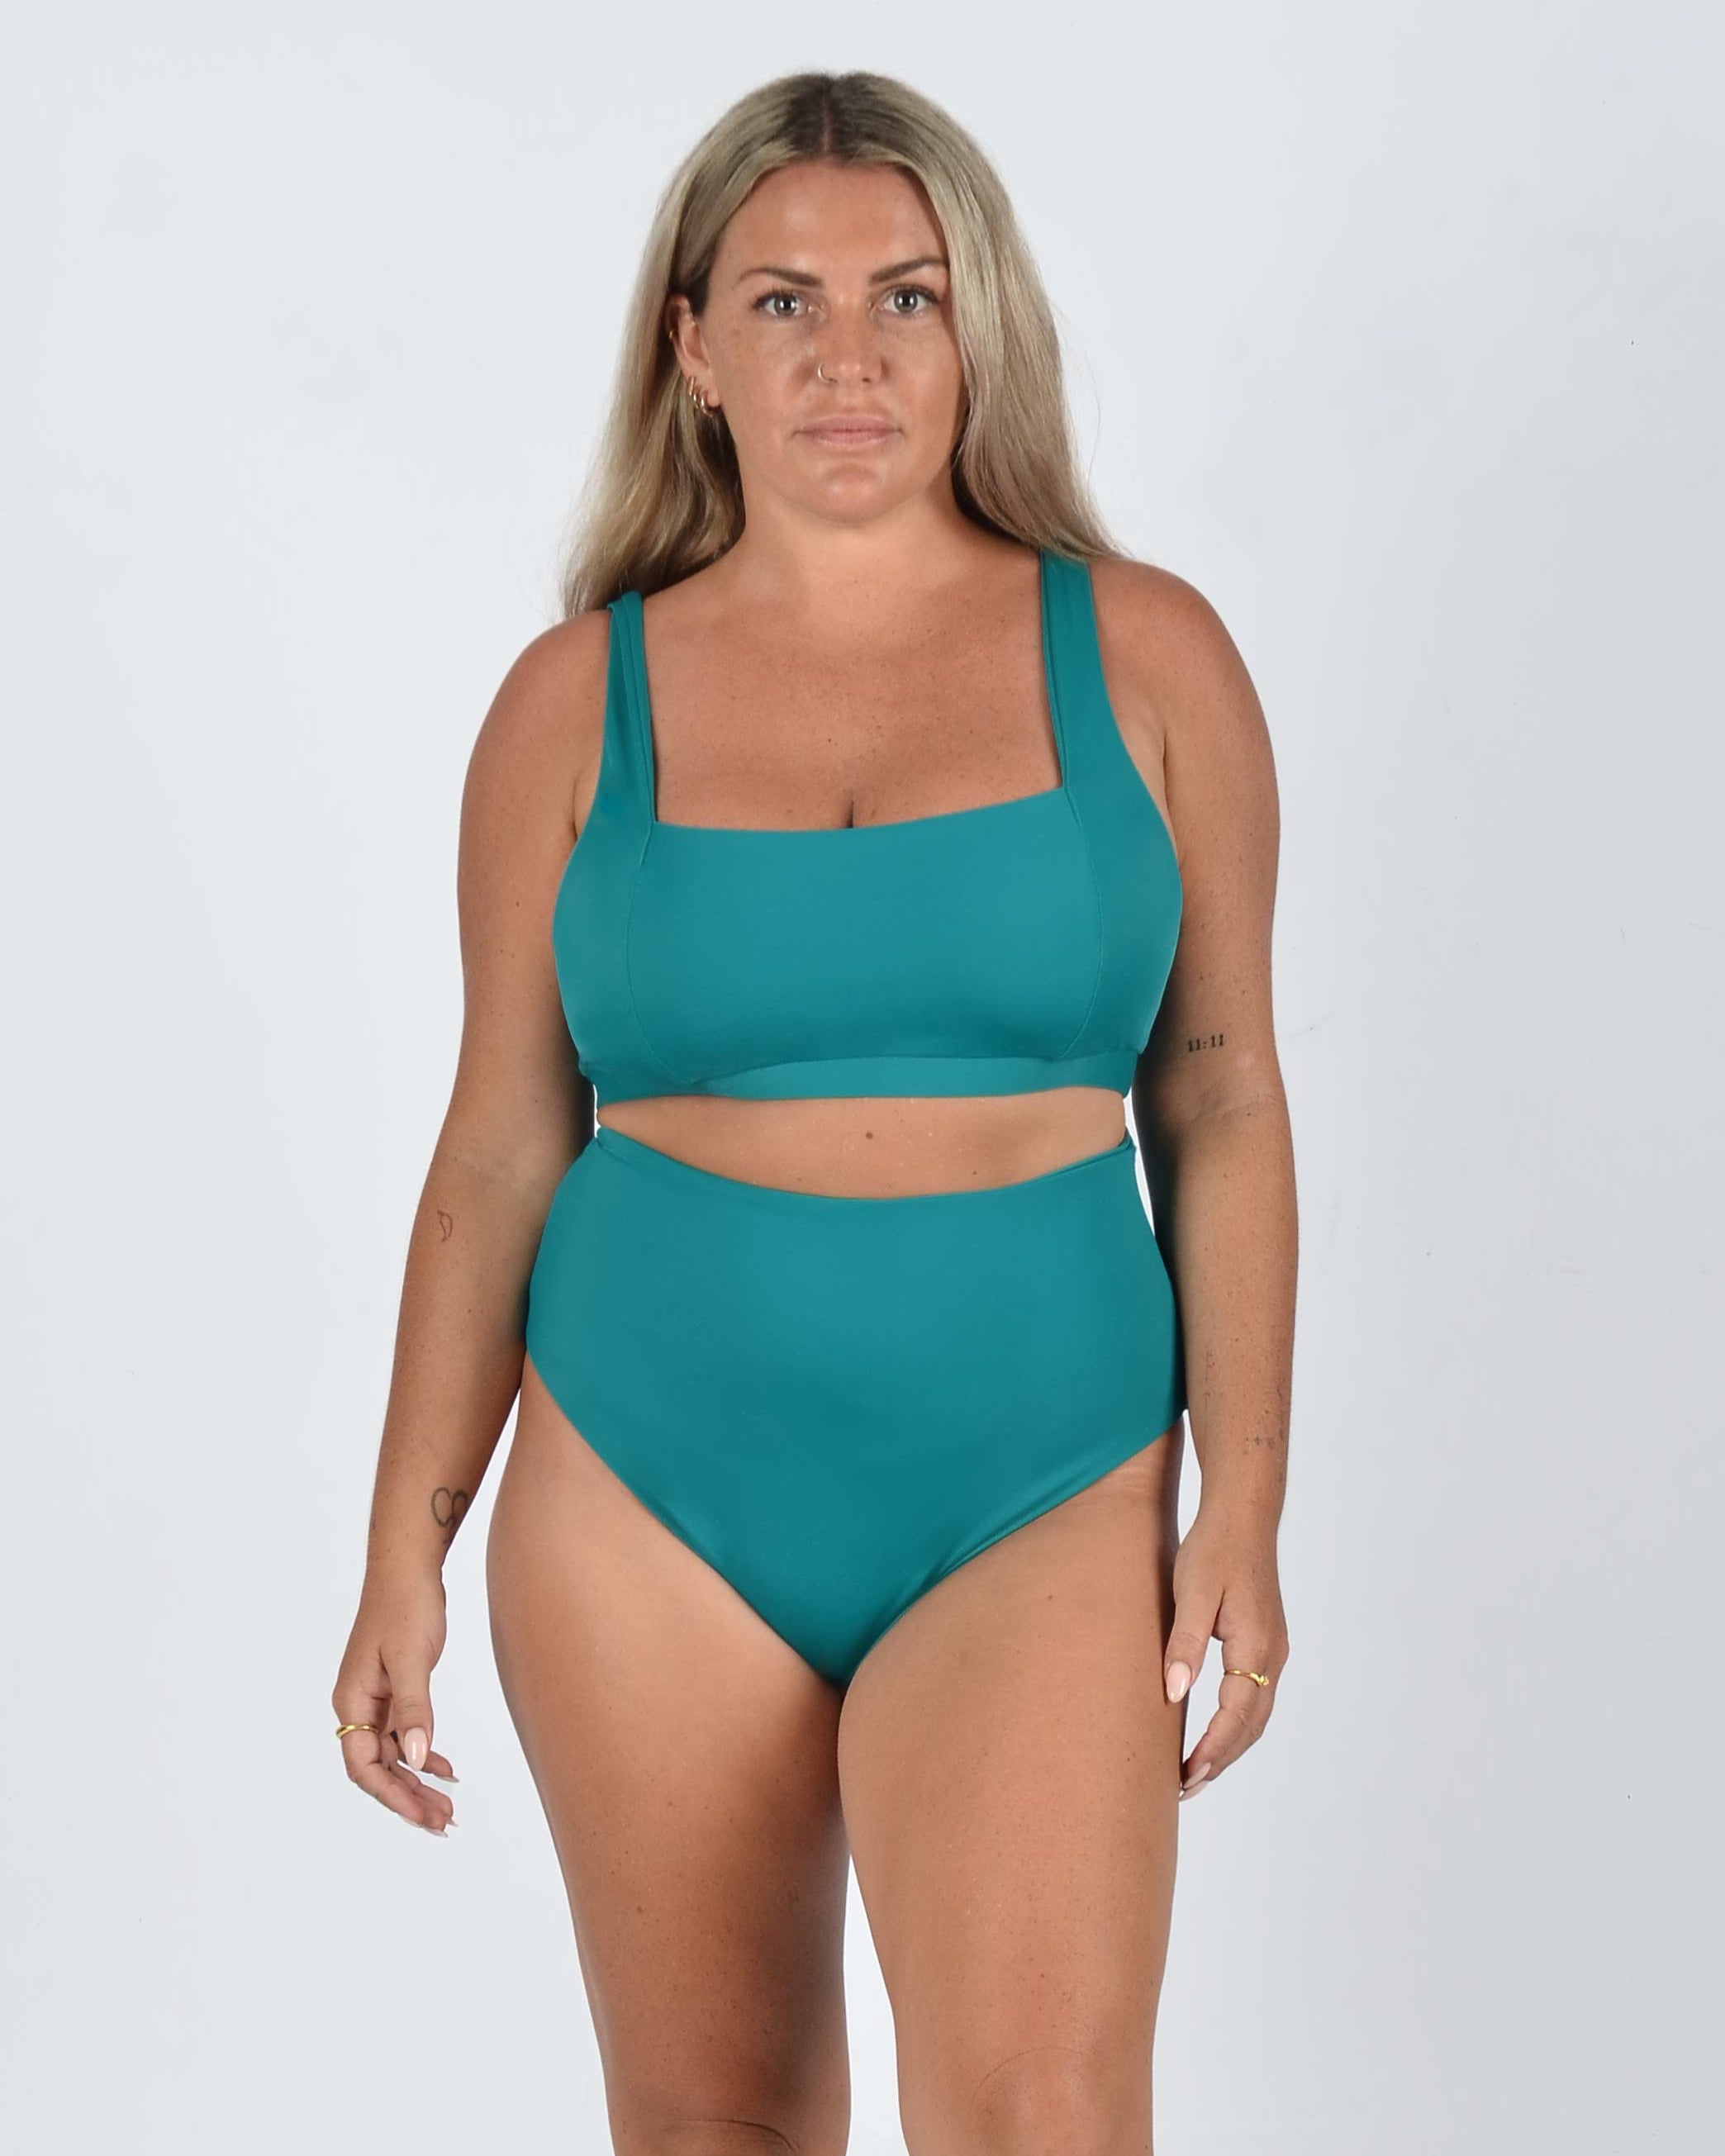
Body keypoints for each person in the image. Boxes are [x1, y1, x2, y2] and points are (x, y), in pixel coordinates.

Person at [333, 68, 1295, 2156]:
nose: (847, 358)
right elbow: (498, 1142)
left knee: (1044, 2114)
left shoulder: (1147, 660)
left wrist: (1246, 1497)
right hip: (644, 1485)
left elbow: (1220, 1096)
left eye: (905, 298)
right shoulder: (571, 704)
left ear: (978, 332)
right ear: (693, 349)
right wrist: (407, 1542)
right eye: (783, 302)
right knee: (718, 2126)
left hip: (1043, 1475)